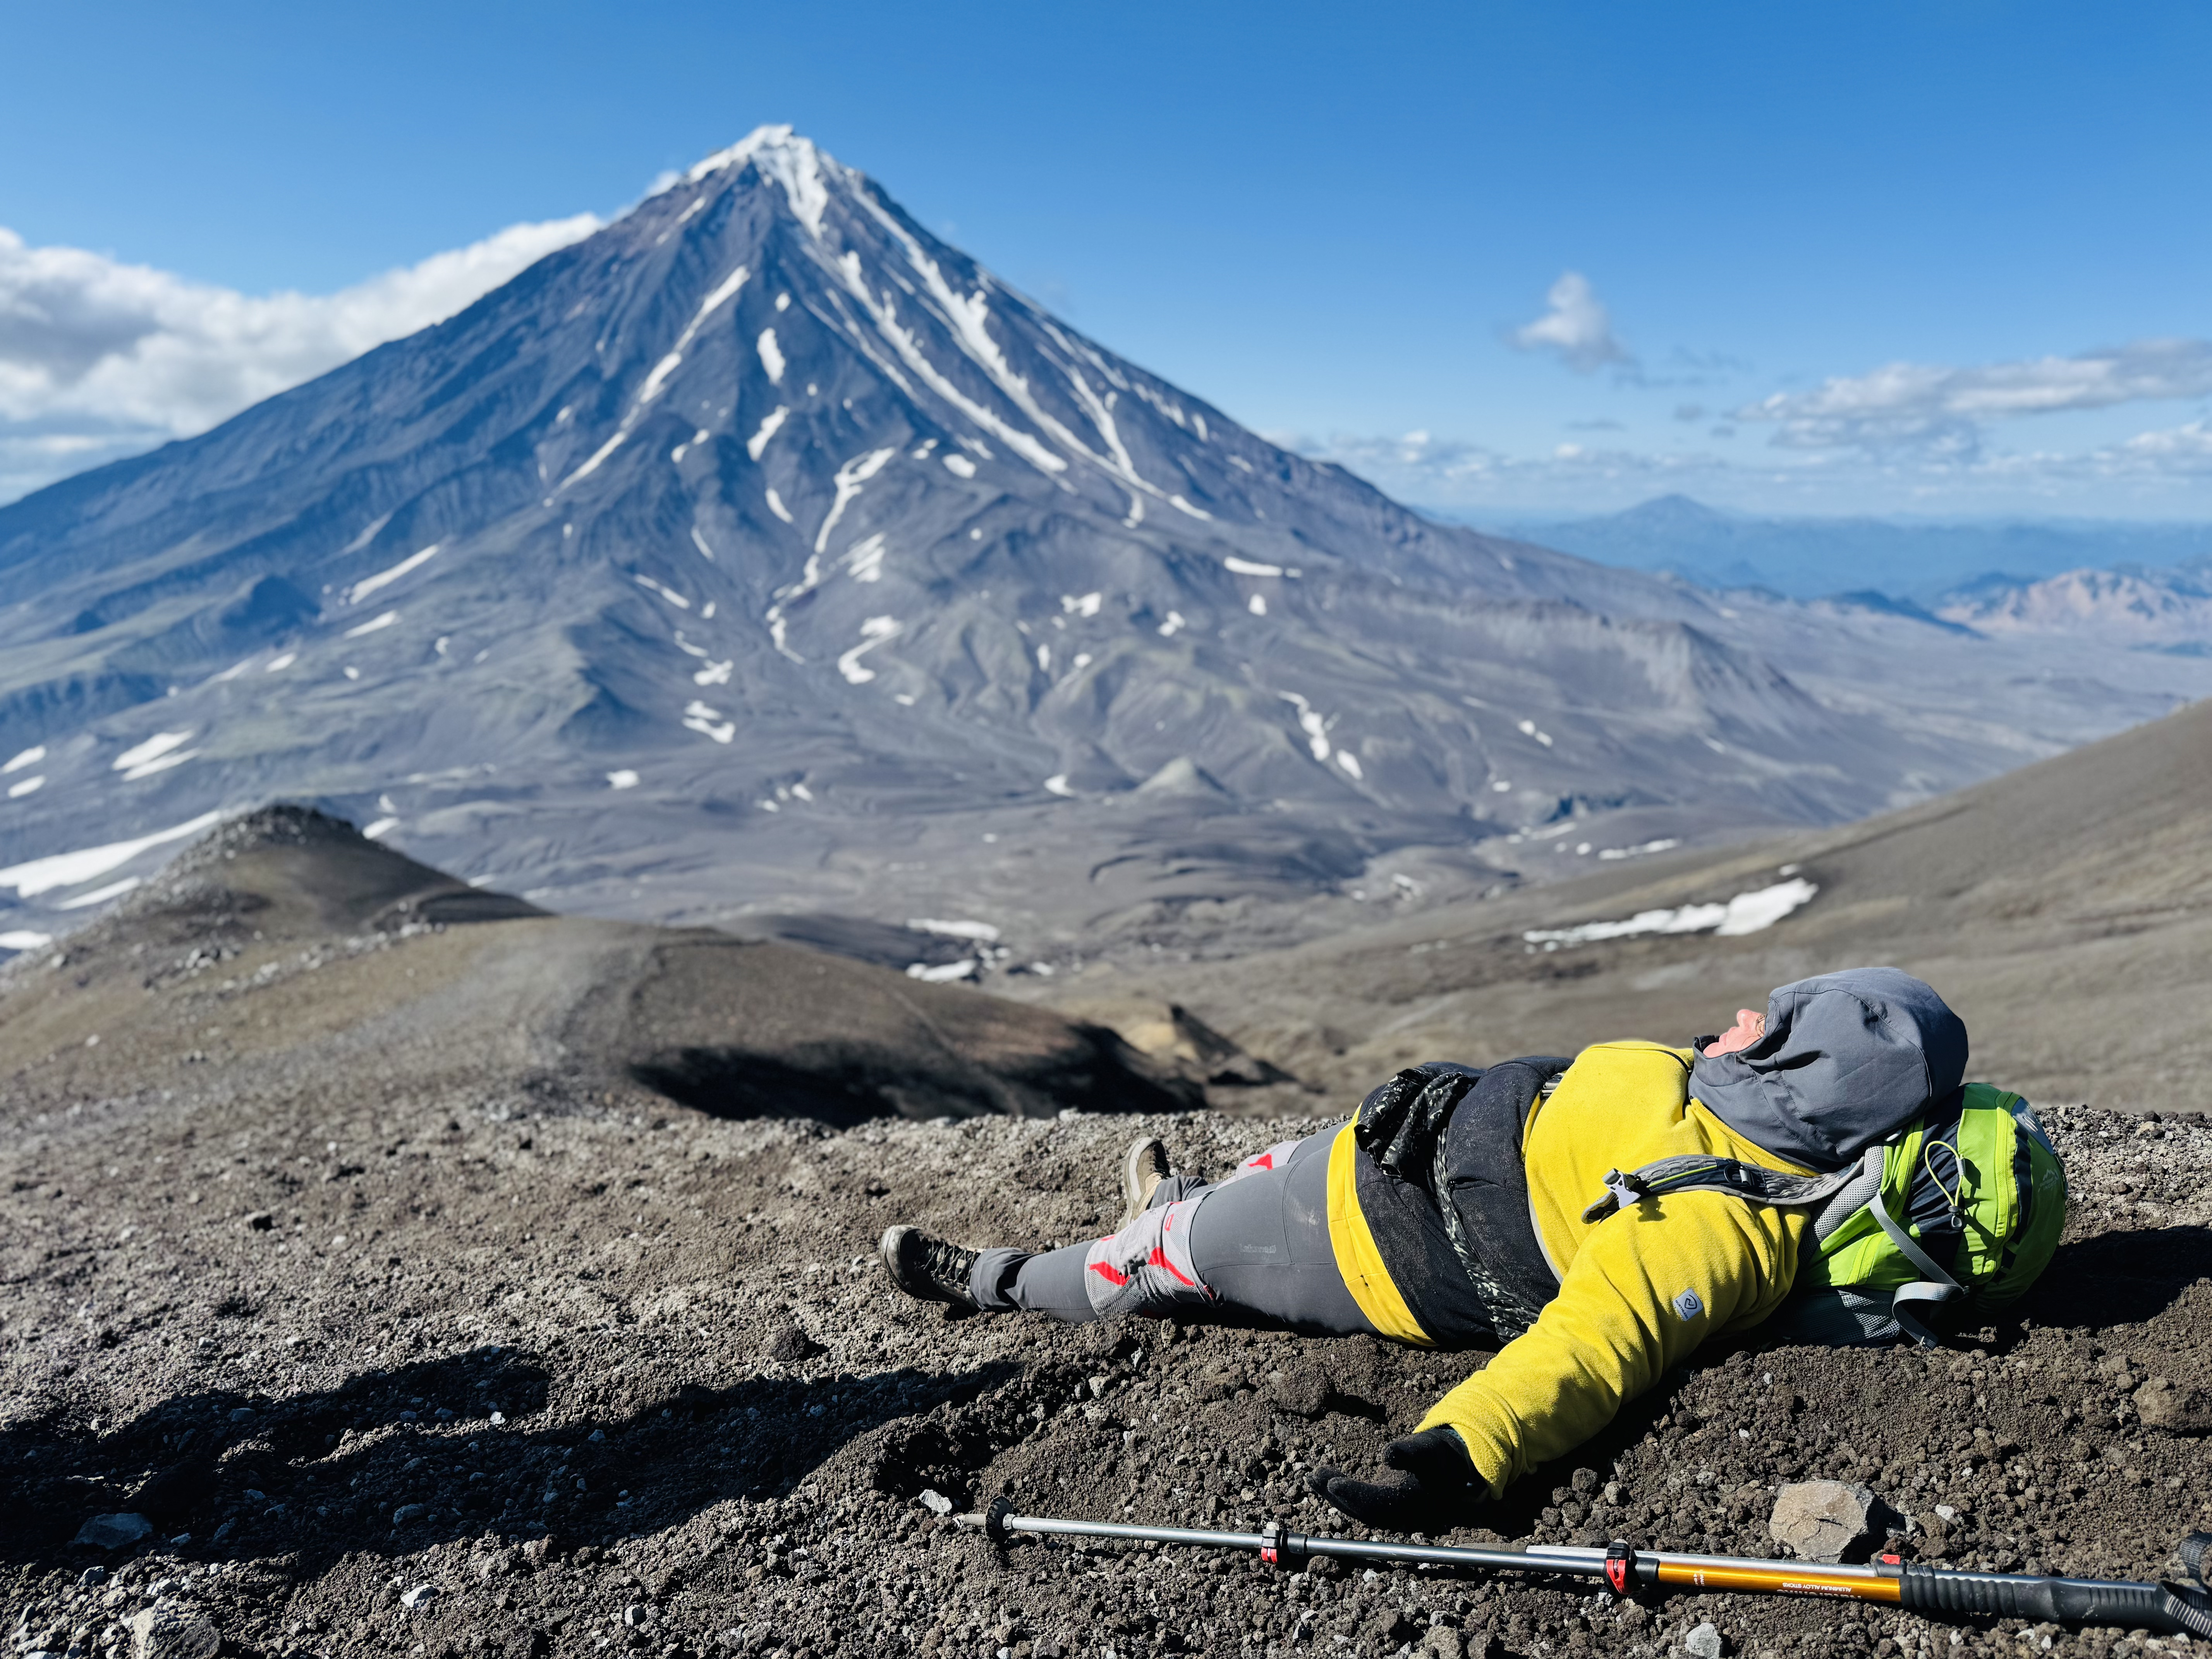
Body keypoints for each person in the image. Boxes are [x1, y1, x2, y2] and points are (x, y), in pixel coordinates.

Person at [879, 968, 2067, 1532]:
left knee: (1141, 1266)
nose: (1752, 1011)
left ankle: (995, 1278)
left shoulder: (1721, 1224)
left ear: (1818, 1075)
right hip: (1382, 1151)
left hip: (1355, 1242)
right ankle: (1177, 1206)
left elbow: (1597, 1351)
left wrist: (1461, 1453)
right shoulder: (1718, 1095)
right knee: (1224, 1196)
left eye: (1785, 1018)